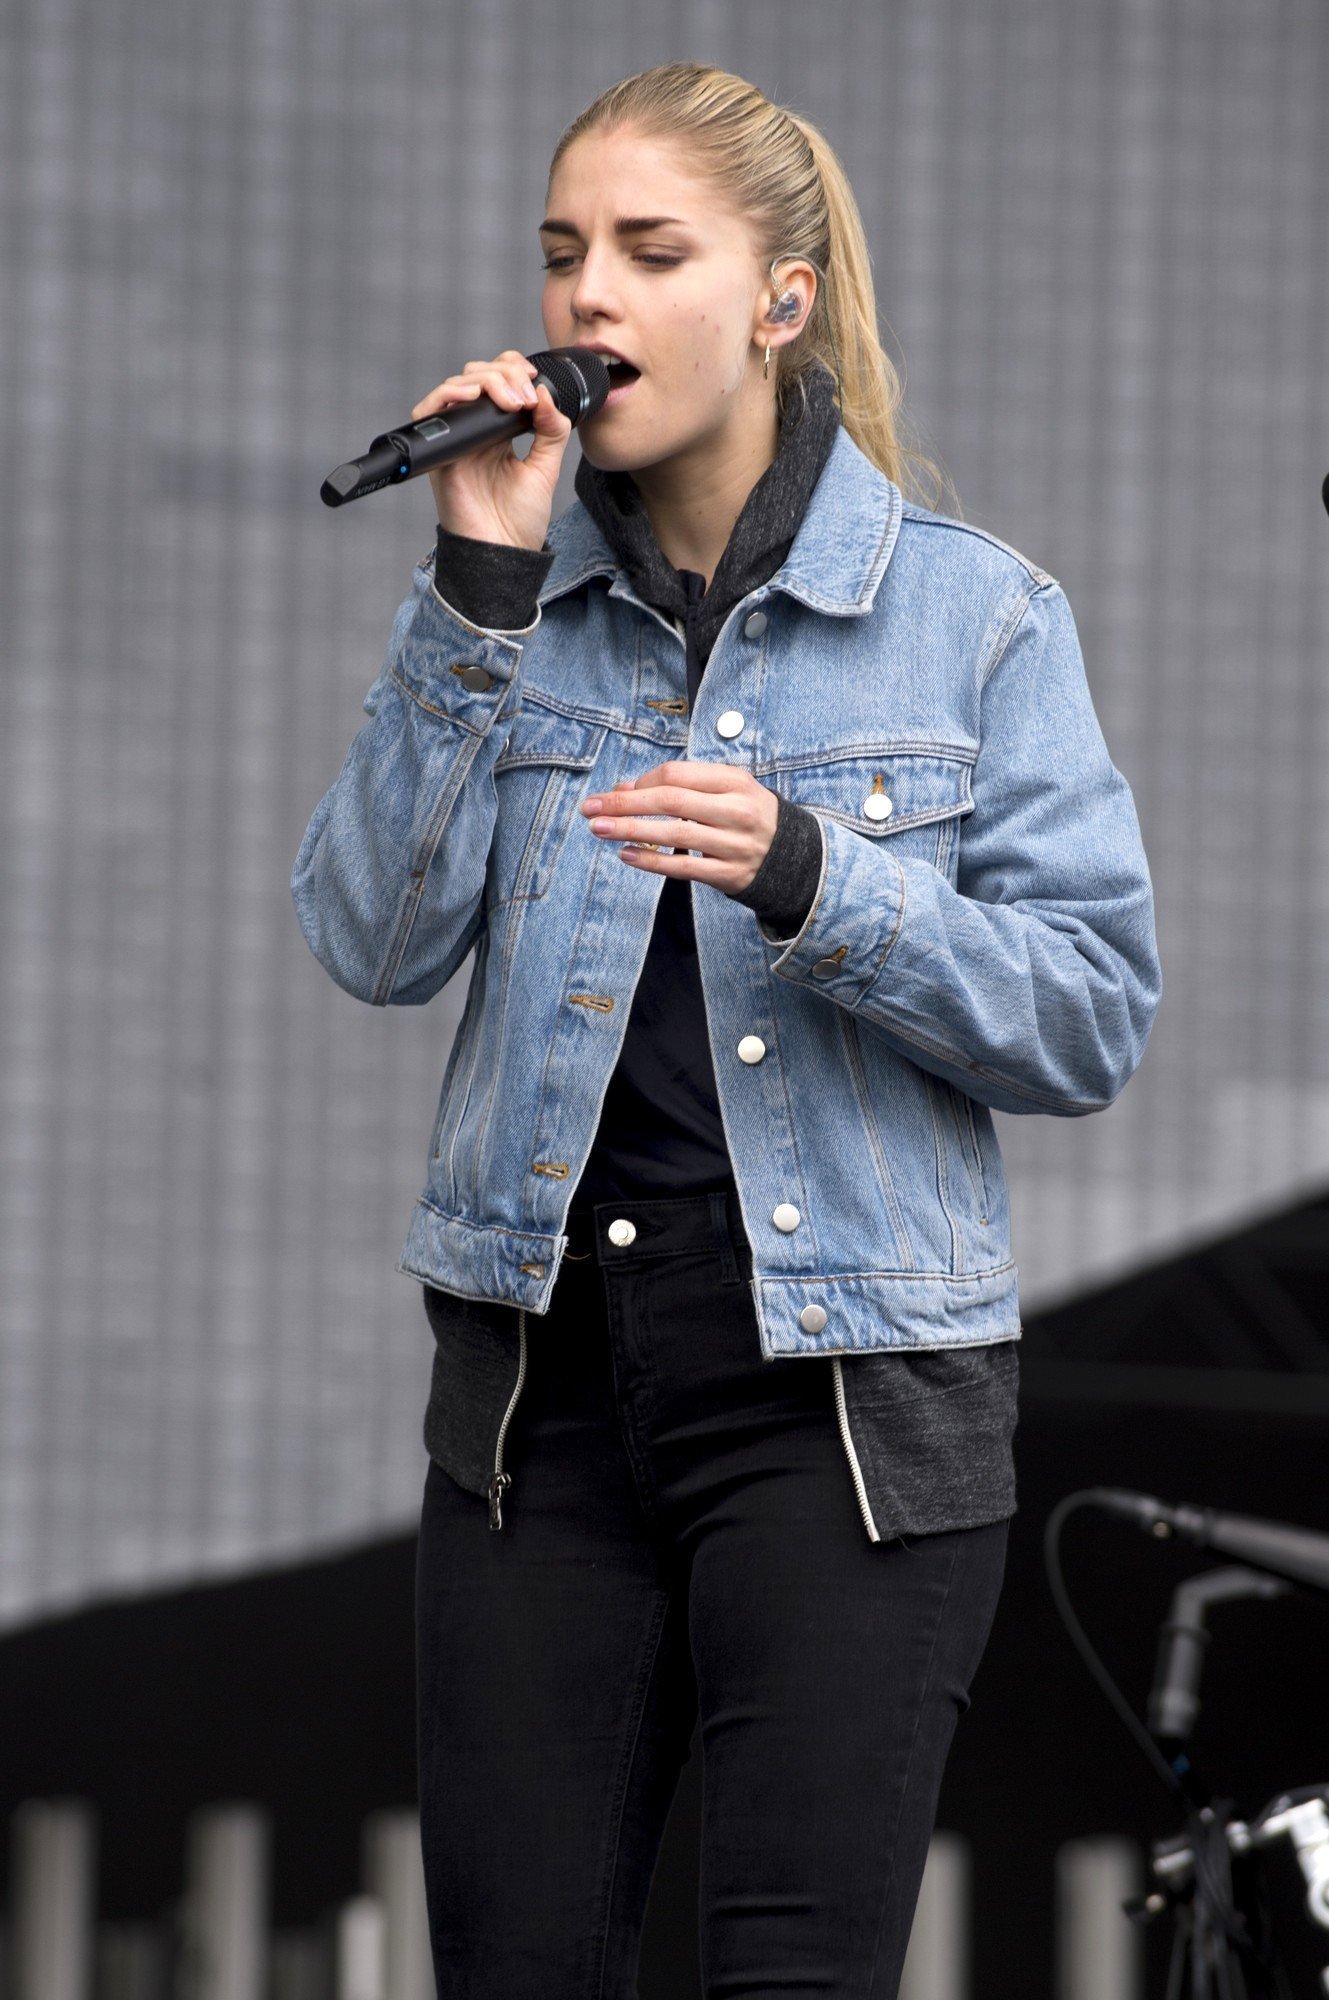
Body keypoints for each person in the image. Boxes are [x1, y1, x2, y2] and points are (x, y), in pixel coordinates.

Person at [291, 61, 1162, 2000]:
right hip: (543, 1405)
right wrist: (474, 582)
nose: (582, 296)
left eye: (644, 250)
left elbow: (1090, 1010)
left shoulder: (971, 618)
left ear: (773, 297)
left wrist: (810, 875)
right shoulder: (504, 606)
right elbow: (363, 930)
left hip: (842, 1408)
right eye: (559, 252)